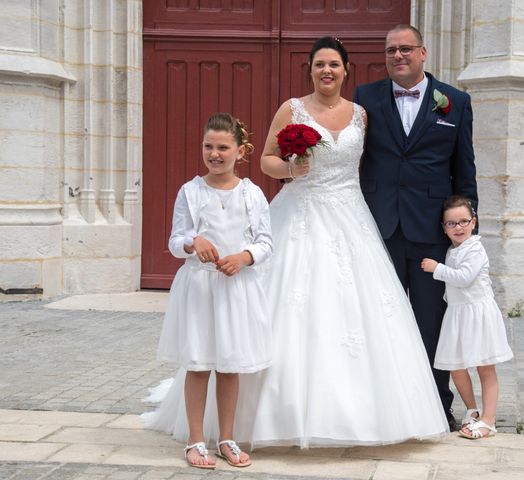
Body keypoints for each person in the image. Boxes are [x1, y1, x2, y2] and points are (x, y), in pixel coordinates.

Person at [252, 36, 449, 447]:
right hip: (302, 212)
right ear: (309, 68)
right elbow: (267, 159)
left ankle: (369, 414)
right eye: (319, 64)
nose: (327, 71)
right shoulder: (292, 109)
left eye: (334, 65)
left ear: (346, 70)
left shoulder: (361, 114)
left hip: (351, 215)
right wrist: (291, 169)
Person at [353, 24, 478, 431]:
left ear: (424, 53)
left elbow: (464, 170)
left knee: (431, 323)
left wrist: (466, 234)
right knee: (379, 320)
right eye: (391, 50)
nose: (398, 56)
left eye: (406, 49)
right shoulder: (365, 99)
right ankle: (378, 405)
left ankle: (436, 407)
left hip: (430, 234)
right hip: (378, 228)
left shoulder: (455, 102)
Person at [143, 113, 273, 468]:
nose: (214, 154)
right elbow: (173, 240)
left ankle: (226, 438)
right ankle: (195, 440)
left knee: (229, 366)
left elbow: (266, 243)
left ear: (240, 151)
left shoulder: (252, 193)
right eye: (208, 147)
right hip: (200, 288)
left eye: (222, 147)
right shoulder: (191, 191)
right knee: (199, 365)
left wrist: (245, 256)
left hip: (236, 289)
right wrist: (192, 241)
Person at [421, 196, 513, 439]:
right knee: (456, 367)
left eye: (463, 221)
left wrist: (436, 269)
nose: (458, 227)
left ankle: (489, 420)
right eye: (451, 223)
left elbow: (465, 278)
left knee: (485, 367)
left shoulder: (475, 249)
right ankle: (472, 410)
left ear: (474, 222)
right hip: (458, 314)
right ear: (443, 228)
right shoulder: (453, 249)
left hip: (477, 313)